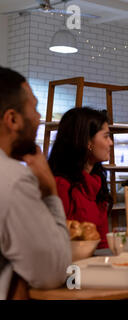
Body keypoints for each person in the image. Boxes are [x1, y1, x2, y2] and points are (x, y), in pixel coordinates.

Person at [0, 67, 71, 299]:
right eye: (35, 107)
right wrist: (50, 191)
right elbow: (54, 271)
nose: (39, 117)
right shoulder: (13, 179)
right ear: (13, 119)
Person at [48, 107, 113, 249]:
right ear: (87, 142)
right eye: (106, 136)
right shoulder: (60, 186)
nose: (111, 143)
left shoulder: (96, 182)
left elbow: (102, 242)